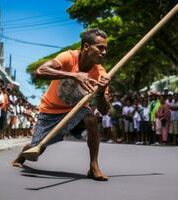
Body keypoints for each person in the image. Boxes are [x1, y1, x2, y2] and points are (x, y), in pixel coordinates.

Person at [12, 29, 110, 181]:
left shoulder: (101, 73)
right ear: (86, 47)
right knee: (39, 147)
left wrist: (101, 92)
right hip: (51, 110)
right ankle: (23, 154)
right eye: (100, 47)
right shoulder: (68, 57)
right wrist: (74, 75)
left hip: (77, 110)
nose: (104, 52)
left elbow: (104, 111)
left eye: (105, 49)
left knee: (91, 118)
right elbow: (40, 71)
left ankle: (93, 166)